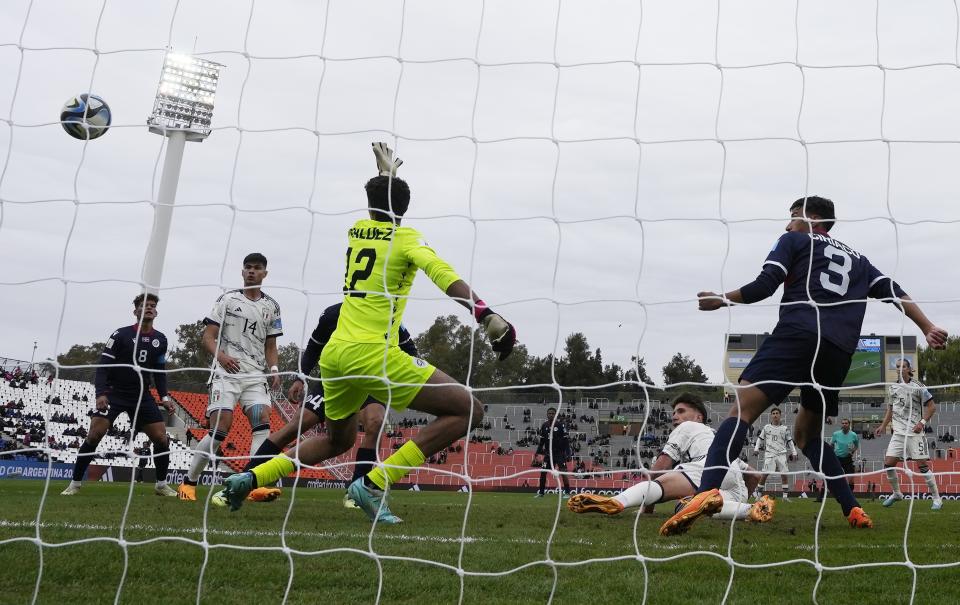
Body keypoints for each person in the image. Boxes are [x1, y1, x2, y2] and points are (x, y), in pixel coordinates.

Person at [219, 142, 516, 524]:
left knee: (337, 440)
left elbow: (381, 212)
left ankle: (250, 477)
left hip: (336, 357)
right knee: (468, 409)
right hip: (374, 353)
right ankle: (373, 482)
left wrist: (385, 180)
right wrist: (484, 313)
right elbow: (443, 276)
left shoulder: (357, 231)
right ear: (404, 210)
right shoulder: (407, 239)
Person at [661, 195, 948, 536]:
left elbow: (763, 287)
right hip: (839, 350)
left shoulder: (795, 240)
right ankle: (852, 506)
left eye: (793, 216)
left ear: (812, 218)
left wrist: (722, 299)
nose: (787, 224)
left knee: (741, 410)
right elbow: (893, 291)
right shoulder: (860, 261)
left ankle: (704, 492)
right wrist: (927, 326)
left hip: (799, 332)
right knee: (806, 435)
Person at [211, 302, 419, 508]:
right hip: (335, 381)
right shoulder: (332, 315)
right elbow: (313, 348)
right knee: (297, 425)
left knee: (376, 422)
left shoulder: (388, 318)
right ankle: (242, 483)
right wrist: (300, 378)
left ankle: (357, 492)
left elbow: (411, 353)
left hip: (372, 382)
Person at [567, 393, 774, 525]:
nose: (675, 416)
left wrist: (648, 508)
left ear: (698, 417)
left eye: (681, 411)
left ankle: (618, 501)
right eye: (674, 412)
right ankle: (750, 510)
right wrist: (746, 495)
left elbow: (660, 467)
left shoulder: (688, 427)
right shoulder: (719, 435)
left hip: (706, 465)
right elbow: (754, 476)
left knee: (662, 485)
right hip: (735, 480)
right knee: (693, 507)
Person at [177, 253, 283, 501]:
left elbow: (271, 346)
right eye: (247, 268)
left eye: (257, 268)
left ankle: (252, 485)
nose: (251, 272)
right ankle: (188, 484)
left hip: (255, 375)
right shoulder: (227, 300)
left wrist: (275, 370)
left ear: (264, 273)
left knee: (262, 423)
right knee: (220, 429)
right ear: (242, 271)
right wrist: (221, 357)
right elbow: (208, 336)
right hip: (226, 373)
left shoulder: (272, 307)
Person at [61, 293, 177, 496]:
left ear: (156, 312)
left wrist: (165, 398)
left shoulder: (161, 339)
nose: (148, 308)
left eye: (152, 306)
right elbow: (103, 367)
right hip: (115, 393)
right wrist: (101, 393)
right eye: (144, 306)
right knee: (95, 434)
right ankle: (75, 483)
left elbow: (159, 373)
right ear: (136, 311)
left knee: (161, 438)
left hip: (142, 395)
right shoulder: (120, 335)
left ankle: (161, 484)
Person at [875, 358, 943, 510]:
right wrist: (883, 425)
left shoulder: (919, 386)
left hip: (914, 433)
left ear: (909, 368)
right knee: (888, 464)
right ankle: (897, 493)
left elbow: (932, 407)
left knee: (922, 466)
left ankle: (937, 499)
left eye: (903, 366)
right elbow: (891, 409)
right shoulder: (893, 387)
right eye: (898, 366)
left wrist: (922, 423)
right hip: (898, 433)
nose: (900, 369)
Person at [753, 407, 798, 499]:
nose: (775, 415)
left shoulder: (785, 429)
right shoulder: (766, 427)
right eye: (773, 413)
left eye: (777, 413)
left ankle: (785, 496)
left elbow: (790, 442)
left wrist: (794, 452)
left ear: (780, 415)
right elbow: (760, 439)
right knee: (765, 474)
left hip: (781, 454)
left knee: (784, 475)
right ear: (771, 416)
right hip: (770, 454)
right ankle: (758, 494)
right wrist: (756, 449)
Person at [533, 407, 572, 497]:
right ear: (547, 414)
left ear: (556, 415)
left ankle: (567, 493)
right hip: (548, 454)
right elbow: (541, 442)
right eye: (549, 413)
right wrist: (537, 452)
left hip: (559, 453)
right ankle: (541, 493)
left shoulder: (560, 425)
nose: (551, 415)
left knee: (563, 472)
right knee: (543, 472)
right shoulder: (544, 426)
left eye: (552, 413)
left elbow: (566, 441)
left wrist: (568, 453)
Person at [830, 418, 860, 492]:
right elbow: (831, 444)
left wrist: (852, 451)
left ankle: (851, 495)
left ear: (849, 425)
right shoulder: (836, 434)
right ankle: (821, 496)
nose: (844, 424)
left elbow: (856, 445)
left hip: (847, 458)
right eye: (843, 423)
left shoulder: (853, 435)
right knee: (830, 475)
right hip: (837, 458)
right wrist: (832, 453)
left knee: (851, 478)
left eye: (846, 423)